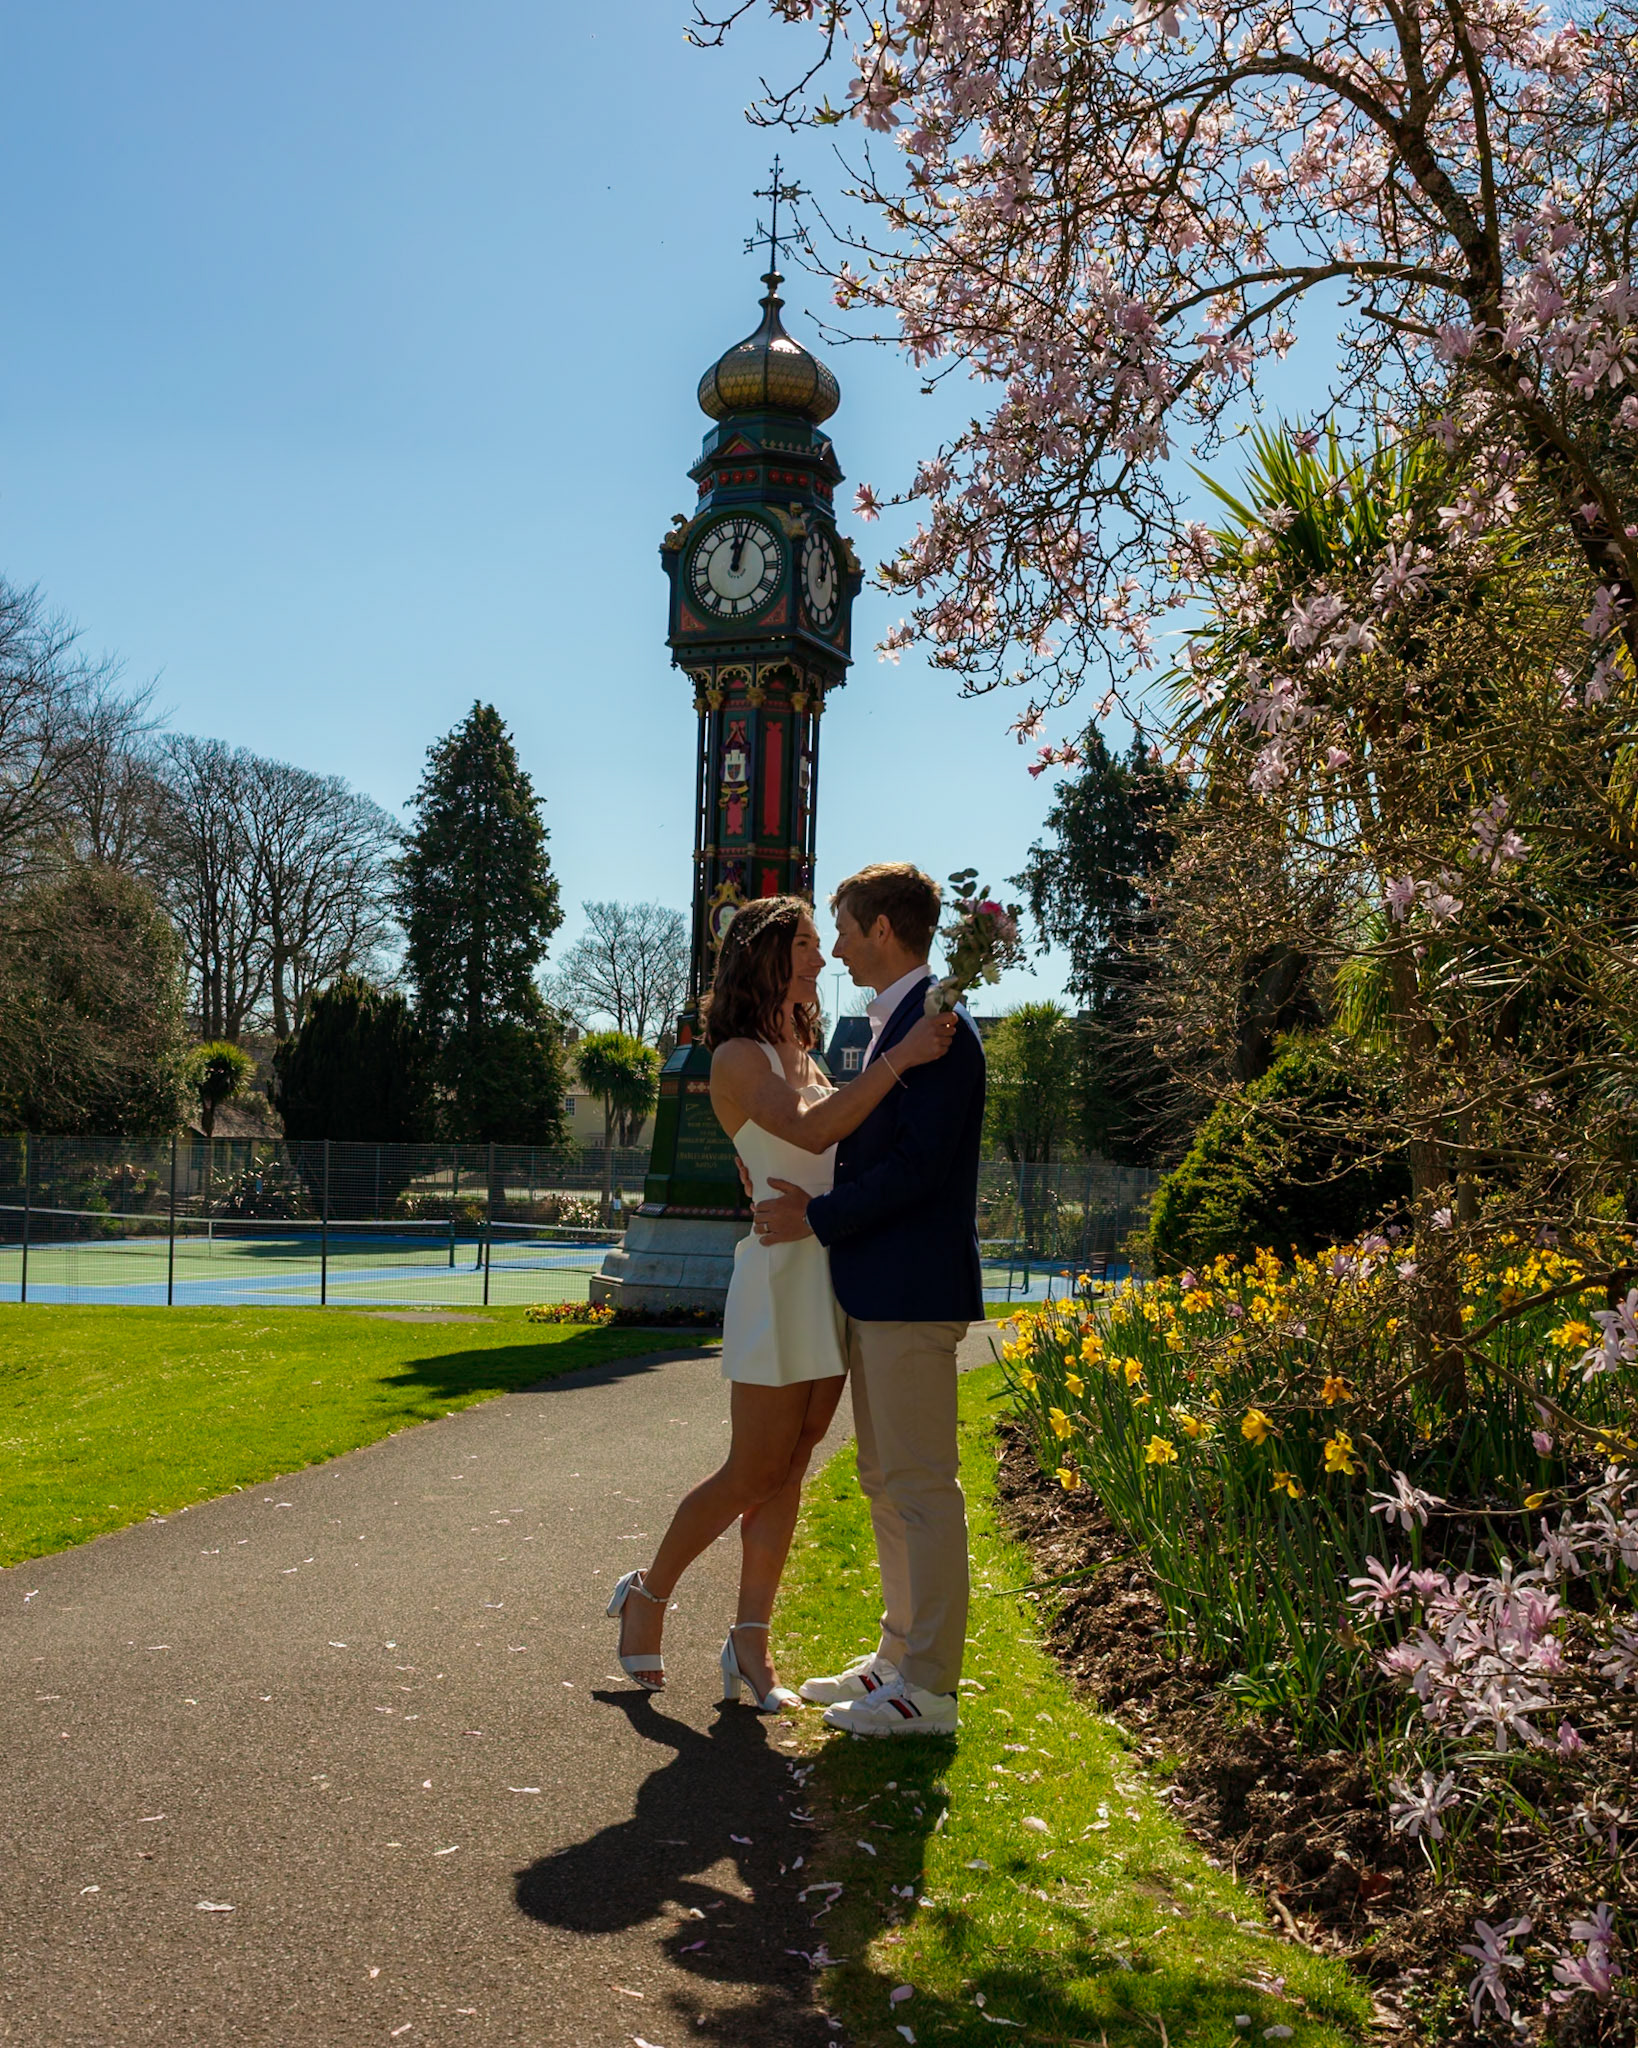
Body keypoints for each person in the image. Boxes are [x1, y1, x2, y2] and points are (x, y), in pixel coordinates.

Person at [606, 895, 957, 1709]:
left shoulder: (808, 1055)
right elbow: (805, 1132)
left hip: (828, 1273)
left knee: (793, 1468)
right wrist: (901, 1058)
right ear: (766, 954)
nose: (822, 958)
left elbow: (836, 1142)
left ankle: (750, 1646)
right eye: (805, 944)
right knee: (751, 1469)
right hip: (775, 1281)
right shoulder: (735, 1056)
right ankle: (646, 1594)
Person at [753, 863, 985, 1736]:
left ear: (883, 929)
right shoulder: (902, 1027)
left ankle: (928, 1689)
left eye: (845, 927)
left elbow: (915, 1172)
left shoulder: (942, 1031)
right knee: (887, 1481)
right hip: (880, 1288)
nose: (838, 945)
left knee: (922, 1485)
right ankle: (896, 1659)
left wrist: (817, 1215)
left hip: (911, 1293)